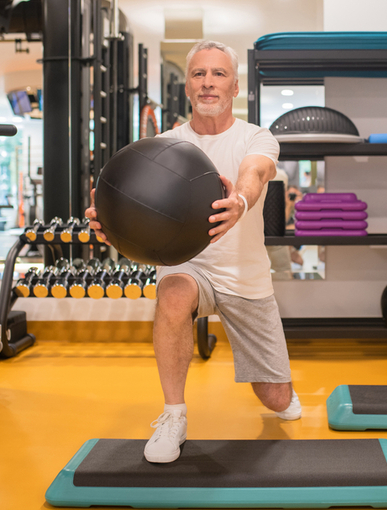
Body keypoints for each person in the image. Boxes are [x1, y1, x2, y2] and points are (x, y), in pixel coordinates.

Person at [86, 40, 300, 463]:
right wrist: (115, 225)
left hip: (245, 277)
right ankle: (173, 415)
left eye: (218, 74)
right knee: (173, 293)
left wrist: (238, 200)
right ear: (187, 86)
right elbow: (134, 204)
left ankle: (281, 388)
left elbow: (254, 173)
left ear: (234, 87)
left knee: (277, 399)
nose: (208, 83)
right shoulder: (162, 146)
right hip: (188, 267)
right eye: (199, 74)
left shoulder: (256, 137)